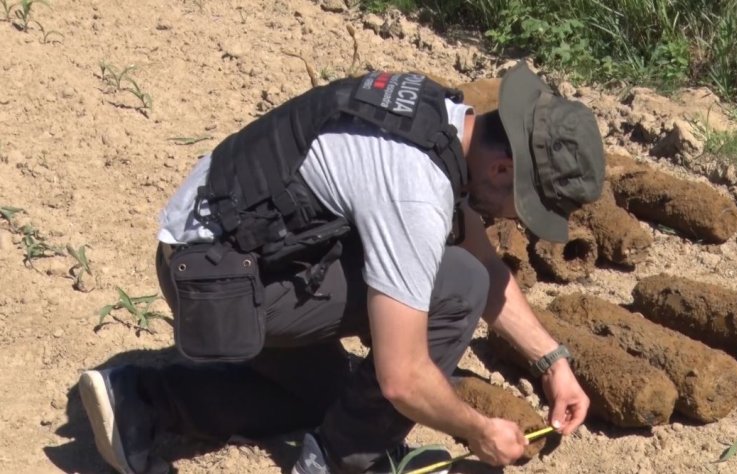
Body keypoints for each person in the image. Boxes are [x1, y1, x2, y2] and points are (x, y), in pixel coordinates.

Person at [78, 61, 603, 474]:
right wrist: (478, 429)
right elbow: (403, 378)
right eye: (522, 205)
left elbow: (487, 262)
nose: (515, 218)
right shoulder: (415, 188)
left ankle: (140, 403)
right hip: (218, 284)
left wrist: (552, 364)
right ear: (502, 168)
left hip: (213, 250)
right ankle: (337, 463)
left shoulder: (438, 116)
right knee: (457, 285)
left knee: (333, 397)